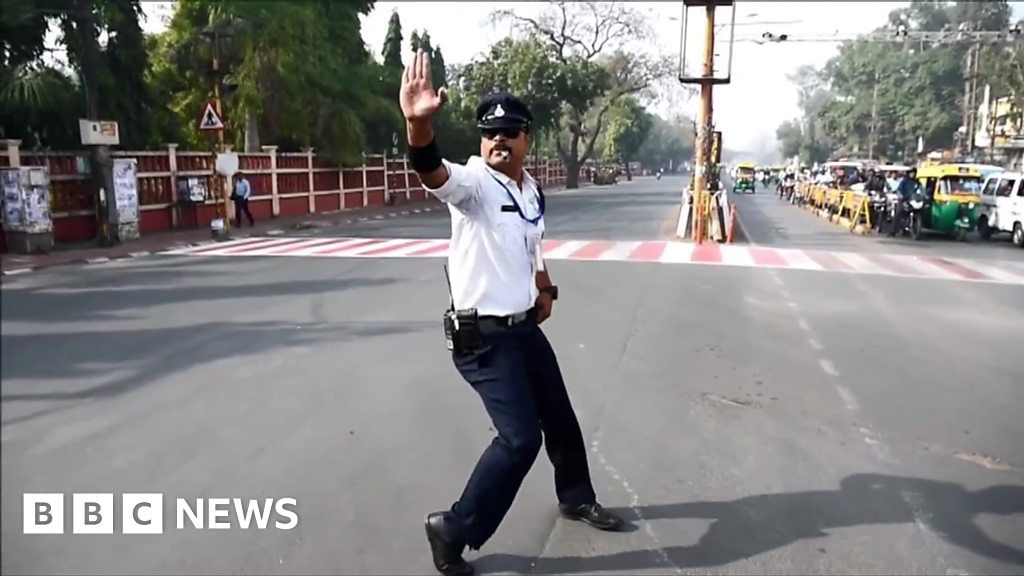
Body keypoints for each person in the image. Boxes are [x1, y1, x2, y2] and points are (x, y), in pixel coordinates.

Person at [398, 50, 624, 576]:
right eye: (489, 134)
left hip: (523, 329)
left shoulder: (529, 188)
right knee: (520, 439)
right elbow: (432, 171)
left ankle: (575, 495)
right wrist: (416, 125)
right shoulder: (473, 186)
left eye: (510, 133)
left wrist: (544, 288)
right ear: (482, 142)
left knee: (561, 419)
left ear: (527, 140)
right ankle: (452, 529)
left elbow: (532, 243)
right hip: (483, 339)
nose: (499, 141)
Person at [889, 167, 921, 236]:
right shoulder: (904, 181)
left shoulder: (917, 181)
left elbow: (921, 189)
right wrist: (900, 195)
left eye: (913, 173)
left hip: (914, 200)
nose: (912, 174)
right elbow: (899, 190)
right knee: (898, 213)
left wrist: (924, 195)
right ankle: (892, 231)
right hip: (904, 200)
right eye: (911, 173)